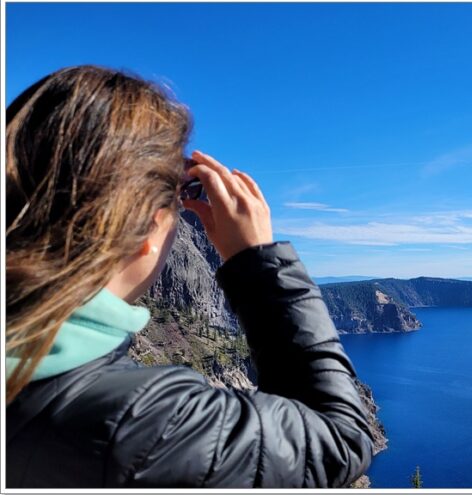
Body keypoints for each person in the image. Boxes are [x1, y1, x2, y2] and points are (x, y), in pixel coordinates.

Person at [5, 65, 374, 488]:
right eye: (179, 200)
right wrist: (260, 263)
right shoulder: (146, 423)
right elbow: (340, 441)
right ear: (147, 227)